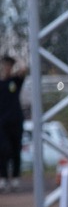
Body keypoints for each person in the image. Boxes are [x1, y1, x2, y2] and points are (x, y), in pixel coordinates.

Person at [0, 54, 28, 192]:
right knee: (3, 150)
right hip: (1, 122)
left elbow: (23, 69)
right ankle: (3, 178)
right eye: (4, 65)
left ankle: (15, 178)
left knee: (16, 149)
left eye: (9, 65)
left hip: (16, 121)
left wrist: (16, 57)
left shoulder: (15, 81)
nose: (6, 67)